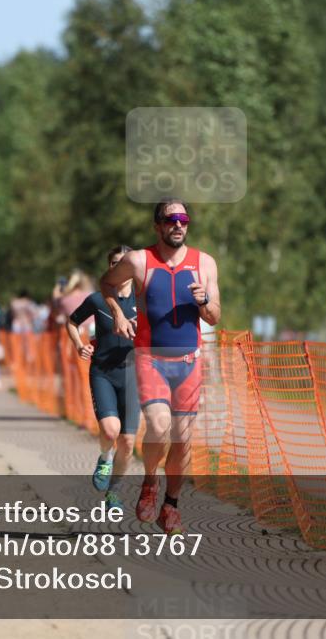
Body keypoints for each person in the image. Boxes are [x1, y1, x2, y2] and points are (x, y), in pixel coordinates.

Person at [99, 198, 221, 534]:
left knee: (182, 440)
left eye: (184, 219)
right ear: (158, 226)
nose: (178, 225)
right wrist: (119, 313)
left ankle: (171, 505)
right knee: (158, 425)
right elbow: (107, 282)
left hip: (188, 363)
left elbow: (215, 315)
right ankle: (150, 481)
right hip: (150, 358)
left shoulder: (204, 264)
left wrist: (205, 301)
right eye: (171, 220)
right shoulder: (139, 261)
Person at [66, 246, 139, 511]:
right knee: (110, 430)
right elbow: (72, 322)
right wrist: (79, 345)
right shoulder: (97, 300)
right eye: (113, 264)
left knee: (129, 442)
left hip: (133, 375)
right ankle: (105, 456)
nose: (118, 268)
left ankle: (114, 491)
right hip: (103, 373)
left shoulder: (143, 301)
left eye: (123, 263)